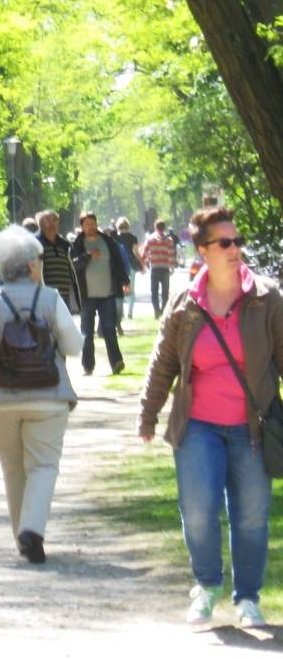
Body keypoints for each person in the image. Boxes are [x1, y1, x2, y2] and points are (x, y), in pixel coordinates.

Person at [138, 206, 283, 629]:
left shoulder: (267, 298)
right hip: (198, 424)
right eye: (225, 243)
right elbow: (163, 361)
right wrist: (148, 414)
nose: (236, 249)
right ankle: (206, 585)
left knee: (252, 515)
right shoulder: (185, 303)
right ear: (203, 251)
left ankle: (248, 598)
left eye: (238, 241)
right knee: (198, 509)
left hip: (253, 426)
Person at [0, 226, 83, 564]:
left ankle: (22, 537)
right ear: (30, 266)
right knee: (43, 466)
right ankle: (32, 530)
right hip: (48, 397)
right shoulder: (51, 298)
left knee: (13, 469)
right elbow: (73, 345)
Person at [71, 211, 129, 375]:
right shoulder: (77, 244)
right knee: (87, 332)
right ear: (81, 226)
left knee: (110, 329)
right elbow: (75, 265)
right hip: (87, 295)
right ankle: (88, 365)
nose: (91, 227)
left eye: (93, 223)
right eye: (87, 224)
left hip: (107, 293)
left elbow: (117, 263)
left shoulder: (108, 241)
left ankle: (116, 362)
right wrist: (88, 256)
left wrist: (124, 281)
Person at [37, 210, 79, 313]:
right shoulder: (36, 243)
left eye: (54, 220)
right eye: (47, 221)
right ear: (41, 224)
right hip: (44, 296)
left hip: (64, 296)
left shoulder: (65, 245)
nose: (51, 224)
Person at [142, 219, 178, 318]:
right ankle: (163, 310)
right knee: (165, 292)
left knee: (154, 291)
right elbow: (171, 255)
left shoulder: (150, 239)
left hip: (154, 268)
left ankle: (156, 310)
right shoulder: (169, 240)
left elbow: (144, 253)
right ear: (164, 228)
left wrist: (144, 263)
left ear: (155, 227)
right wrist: (172, 267)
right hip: (165, 268)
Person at [114, 217, 144, 321]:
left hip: (118, 266)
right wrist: (142, 264)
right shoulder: (133, 237)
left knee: (119, 289)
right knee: (131, 289)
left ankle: (120, 312)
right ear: (128, 226)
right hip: (131, 265)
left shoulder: (115, 237)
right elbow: (136, 252)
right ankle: (130, 313)